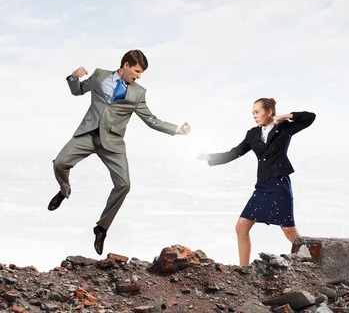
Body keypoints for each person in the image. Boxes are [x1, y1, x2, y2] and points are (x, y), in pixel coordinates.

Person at [48, 49, 191, 255]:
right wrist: (73, 78)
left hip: (113, 143)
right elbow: (77, 91)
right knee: (59, 163)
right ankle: (64, 191)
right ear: (125, 65)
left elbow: (151, 120)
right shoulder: (99, 76)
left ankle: (101, 228)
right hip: (88, 133)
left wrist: (177, 130)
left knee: (124, 185)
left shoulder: (138, 92)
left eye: (141, 73)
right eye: (137, 71)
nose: (139, 76)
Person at [197, 98, 315, 266]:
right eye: (252, 113)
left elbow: (310, 117)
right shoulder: (252, 134)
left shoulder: (285, 128)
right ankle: (243, 269)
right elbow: (235, 152)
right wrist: (209, 157)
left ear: (268, 112)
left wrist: (285, 116)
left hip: (279, 184)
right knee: (241, 227)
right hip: (262, 186)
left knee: (288, 230)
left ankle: (312, 261)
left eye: (257, 112)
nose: (254, 116)